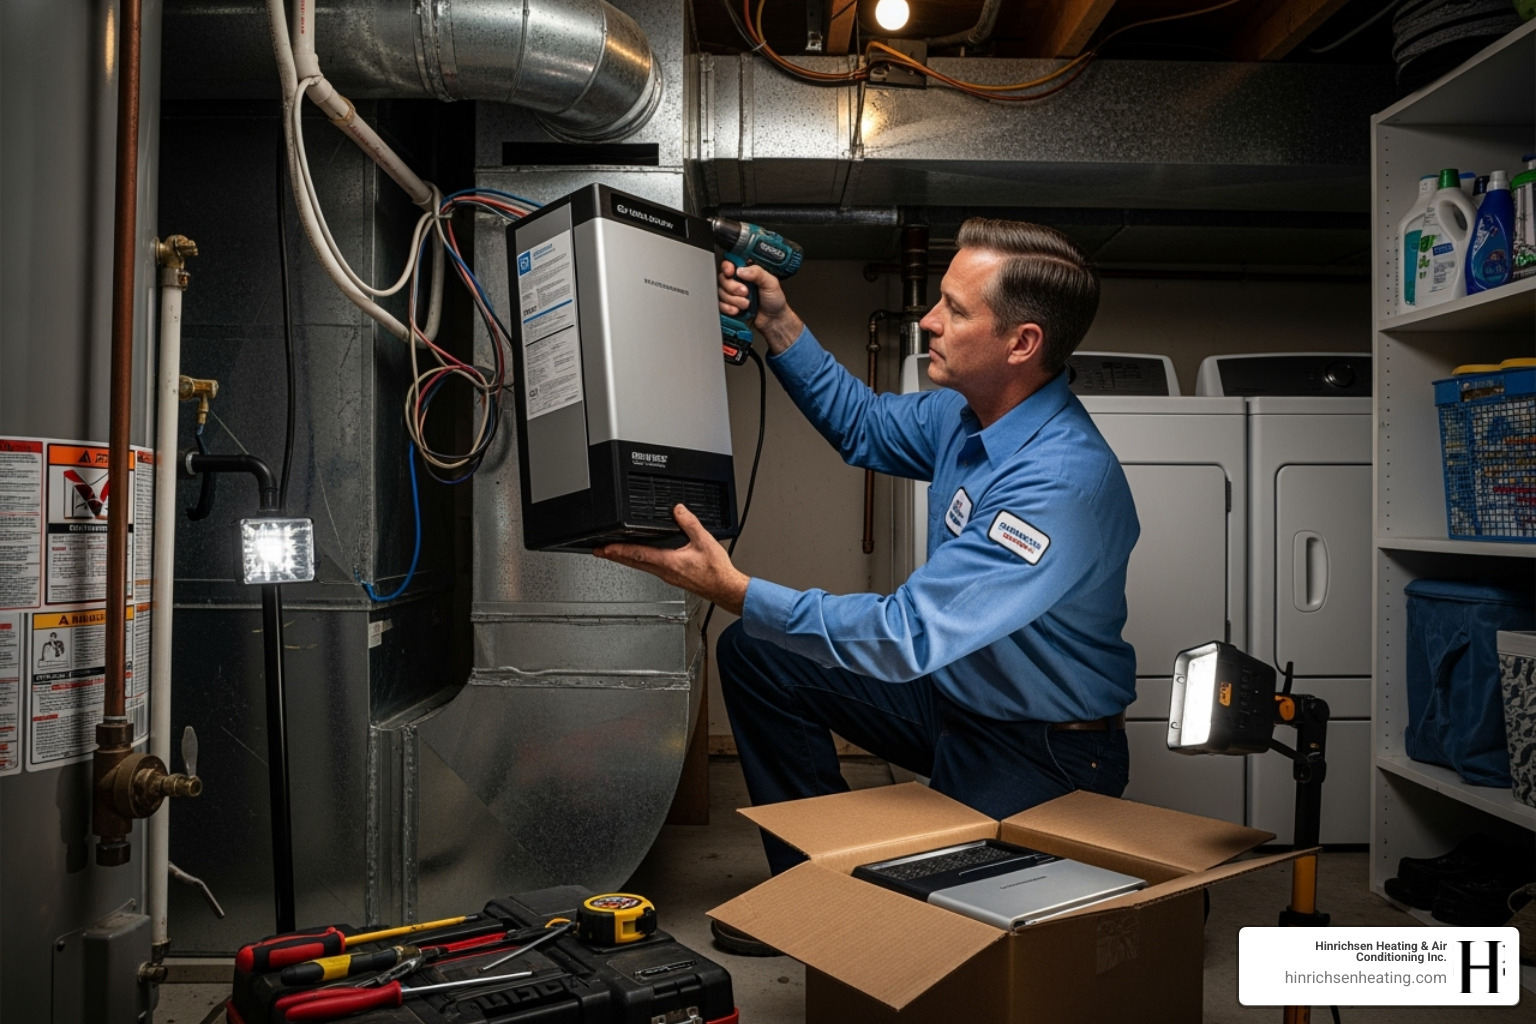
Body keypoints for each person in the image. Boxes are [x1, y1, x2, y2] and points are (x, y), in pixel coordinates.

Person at [594, 219, 1139, 955]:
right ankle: (812, 889)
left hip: (1041, 749)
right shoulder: (967, 416)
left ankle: (1115, 888)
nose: (929, 320)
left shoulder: (1058, 481)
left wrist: (735, 588)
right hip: (952, 704)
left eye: (956, 308)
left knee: (945, 929)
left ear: (1022, 343)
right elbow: (864, 426)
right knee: (759, 653)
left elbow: (905, 635)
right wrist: (779, 323)